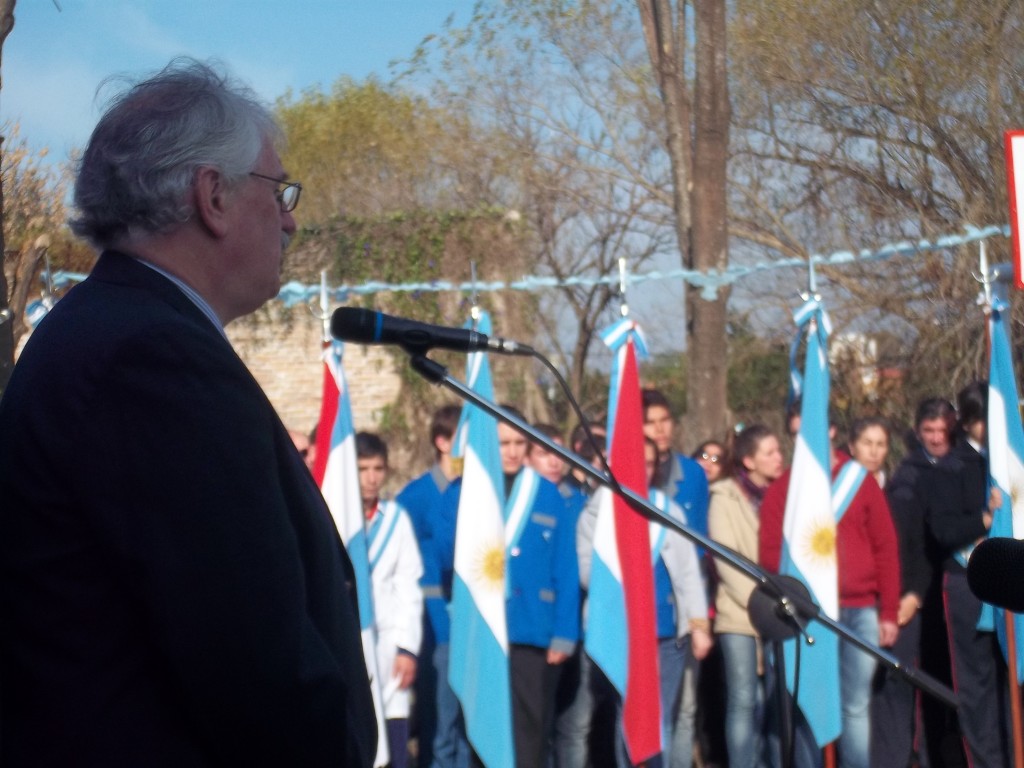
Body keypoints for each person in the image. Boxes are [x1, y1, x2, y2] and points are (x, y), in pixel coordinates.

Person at [0, 59, 375, 765]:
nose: (291, 219)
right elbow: (252, 662)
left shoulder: (111, 330)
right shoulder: (150, 359)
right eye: (279, 190)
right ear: (214, 197)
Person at [760, 413, 901, 768]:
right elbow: (769, 556)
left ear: (832, 431)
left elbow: (885, 548)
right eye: (796, 431)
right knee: (808, 703)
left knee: (854, 707)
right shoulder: (783, 489)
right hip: (808, 616)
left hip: (859, 611)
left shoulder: (860, 482)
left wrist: (888, 613)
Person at [442, 407, 580, 768]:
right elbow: (445, 553)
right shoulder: (468, 491)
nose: (513, 451)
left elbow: (566, 566)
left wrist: (565, 633)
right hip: (482, 629)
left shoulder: (548, 494)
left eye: (520, 442)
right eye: (504, 442)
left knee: (531, 730)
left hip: (533, 630)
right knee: (482, 729)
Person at [577, 436, 711, 767]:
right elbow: (586, 571)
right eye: (638, 463)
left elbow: (688, 574)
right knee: (630, 719)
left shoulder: (669, 509)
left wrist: (698, 625)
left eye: (651, 464)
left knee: (659, 720)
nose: (644, 470)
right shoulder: (598, 510)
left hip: (666, 633)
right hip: (620, 632)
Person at [924, 382, 1010, 767]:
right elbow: (943, 531)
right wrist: (985, 518)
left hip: (1009, 579)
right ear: (972, 422)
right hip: (966, 584)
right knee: (976, 688)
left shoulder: (1007, 461)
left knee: (1012, 677)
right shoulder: (951, 468)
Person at [869, 404, 946, 768]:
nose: (874, 451)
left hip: (904, 604)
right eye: (867, 443)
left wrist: (913, 594)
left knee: (902, 687)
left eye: (881, 443)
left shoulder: (901, 488)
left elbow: (916, 550)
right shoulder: (838, 494)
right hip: (861, 606)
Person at [395, 404, 470, 768]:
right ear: (443, 442)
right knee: (437, 721)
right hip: (434, 626)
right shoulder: (415, 496)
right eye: (465, 439)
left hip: (470, 625)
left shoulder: (478, 493)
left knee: (466, 725)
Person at [641, 389, 710, 768]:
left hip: (682, 606)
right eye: (650, 422)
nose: (659, 429)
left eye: (664, 420)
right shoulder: (620, 474)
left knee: (683, 707)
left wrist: (697, 614)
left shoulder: (692, 474)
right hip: (639, 610)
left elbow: (698, 544)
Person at [708, 425, 784, 768]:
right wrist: (761, 604)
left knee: (775, 699)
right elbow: (726, 559)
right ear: (749, 461)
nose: (778, 457)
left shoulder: (785, 495)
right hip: (740, 613)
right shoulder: (724, 496)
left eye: (779, 450)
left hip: (781, 613)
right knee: (744, 698)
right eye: (769, 452)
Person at [356, 432, 424, 768]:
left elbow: (408, 587)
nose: (371, 478)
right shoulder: (333, 517)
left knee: (396, 738)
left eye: (378, 468)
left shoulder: (396, 520)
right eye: (363, 468)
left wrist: (407, 648)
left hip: (389, 648)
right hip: (350, 645)